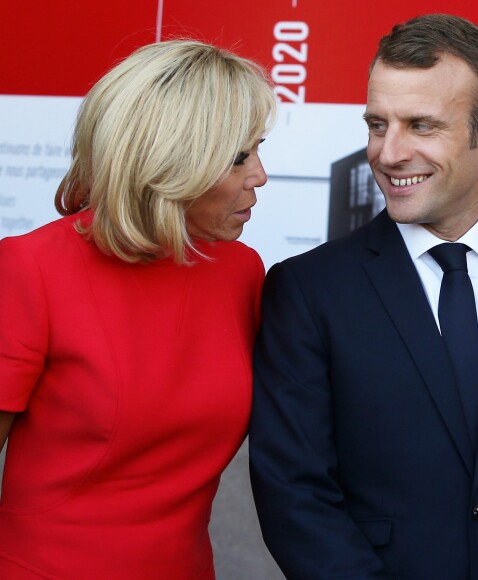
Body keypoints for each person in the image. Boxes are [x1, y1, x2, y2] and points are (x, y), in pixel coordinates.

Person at [249, 13, 478, 580]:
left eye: (421, 126)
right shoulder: (308, 290)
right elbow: (295, 494)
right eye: (378, 125)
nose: (389, 152)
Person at [0, 39, 276, 579]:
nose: (260, 176)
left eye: (258, 149)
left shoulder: (242, 272)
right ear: (171, 161)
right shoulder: (30, 268)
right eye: (239, 157)